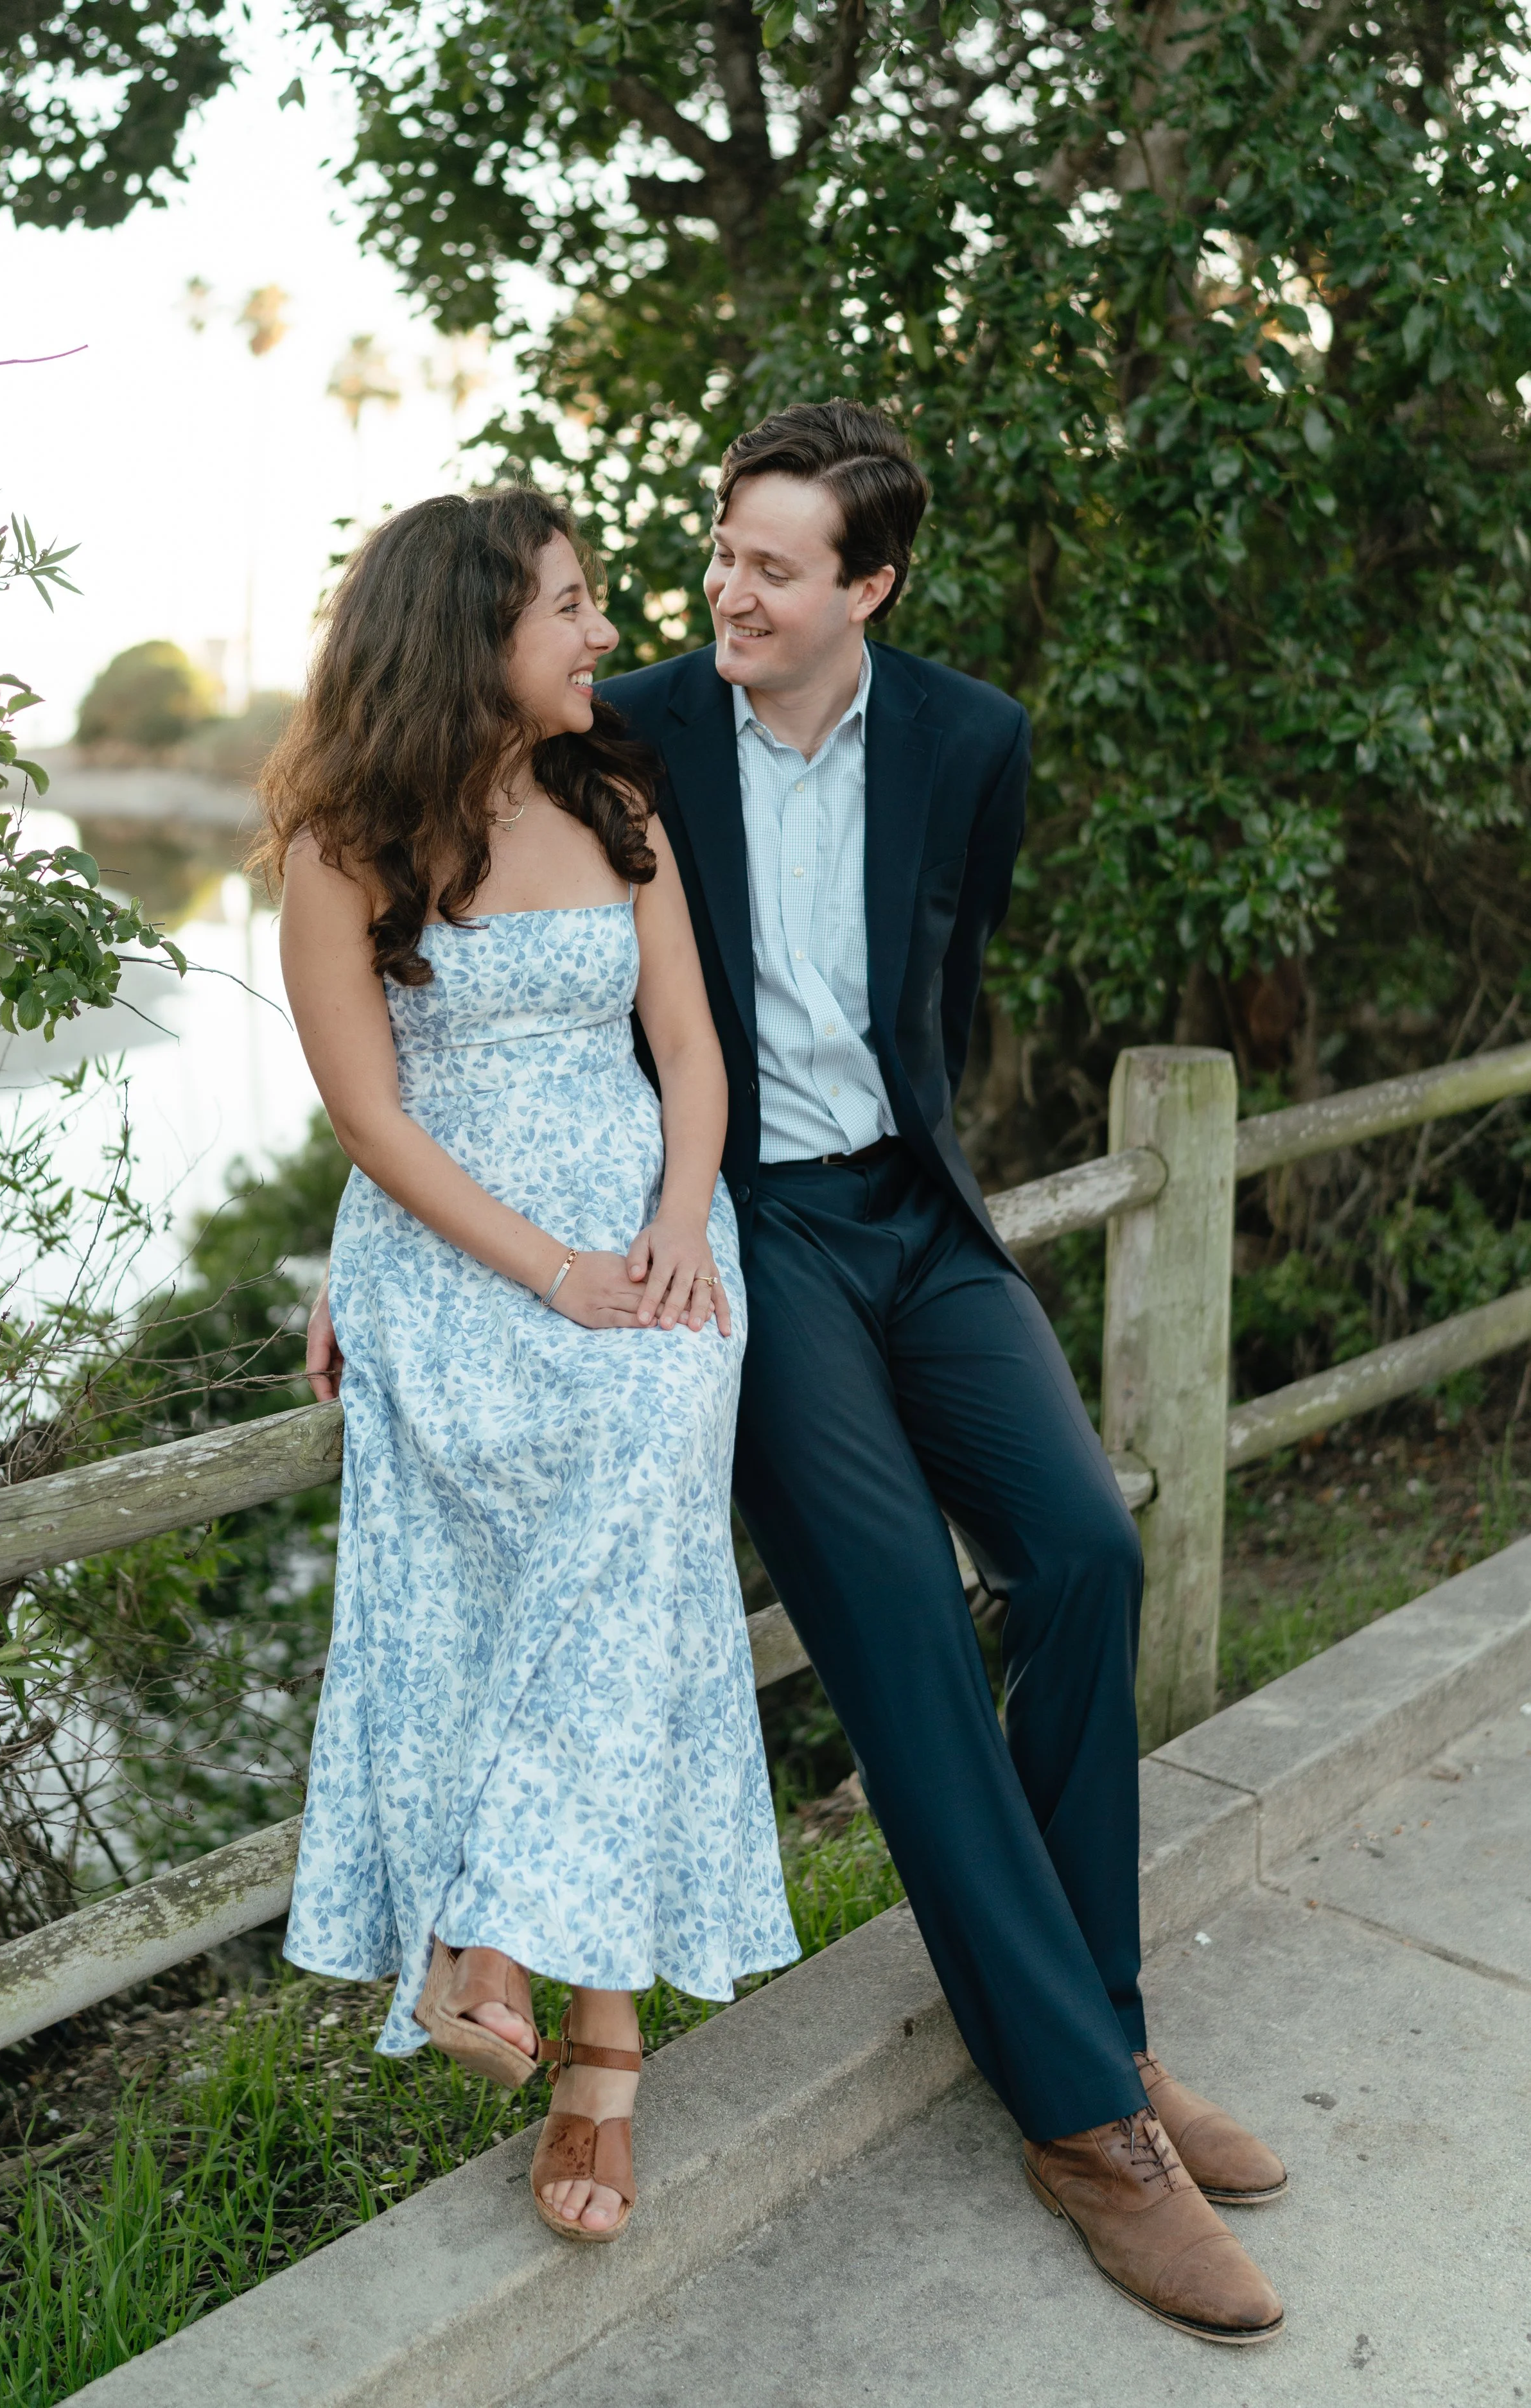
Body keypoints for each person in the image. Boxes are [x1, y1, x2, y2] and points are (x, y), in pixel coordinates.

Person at [592, 399, 1290, 2344]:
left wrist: (919, 1155)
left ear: (866, 587)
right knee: (897, 1618)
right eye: (719, 547)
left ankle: (1105, 2035)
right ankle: (1083, 2121)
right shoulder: (627, 733)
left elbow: (940, 981)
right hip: (754, 1228)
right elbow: (477, 950)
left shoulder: (973, 739)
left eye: (772, 565)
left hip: (912, 1207)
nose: (727, 587)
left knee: (1081, 1552)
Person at [263, 487, 798, 2247]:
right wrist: (548, 1269)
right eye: (567, 604)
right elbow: (370, 1113)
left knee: (647, 1437)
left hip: (641, 1228)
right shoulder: (341, 843)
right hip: (460, 1243)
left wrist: (667, 1223)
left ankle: (493, 1937)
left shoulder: (612, 796)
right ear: (469, 635)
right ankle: (595, 2041)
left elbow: (692, 1051)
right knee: (550, 1563)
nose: (599, 630)